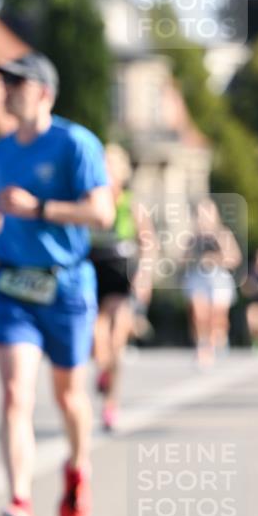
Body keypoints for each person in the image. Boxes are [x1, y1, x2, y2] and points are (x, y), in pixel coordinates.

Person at [0, 52, 114, 516]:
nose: (8, 90)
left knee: (70, 397)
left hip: (67, 285)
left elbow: (102, 212)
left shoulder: (76, 143)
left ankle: (78, 466)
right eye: (4, 82)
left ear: (44, 92)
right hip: (14, 287)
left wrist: (39, 209)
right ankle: (19, 501)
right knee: (16, 394)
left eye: (18, 82)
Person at [89, 143, 156, 430]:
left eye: (111, 167)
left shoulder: (131, 204)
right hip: (92, 272)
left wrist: (144, 276)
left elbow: (149, 243)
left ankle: (110, 404)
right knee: (96, 340)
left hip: (121, 275)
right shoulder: (90, 199)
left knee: (117, 340)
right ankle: (103, 370)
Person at [182, 198, 242, 367]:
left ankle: (218, 339)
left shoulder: (223, 234)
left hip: (218, 278)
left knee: (217, 316)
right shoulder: (193, 237)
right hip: (198, 277)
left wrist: (215, 258)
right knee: (198, 313)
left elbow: (234, 258)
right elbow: (183, 259)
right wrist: (196, 255)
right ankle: (203, 347)